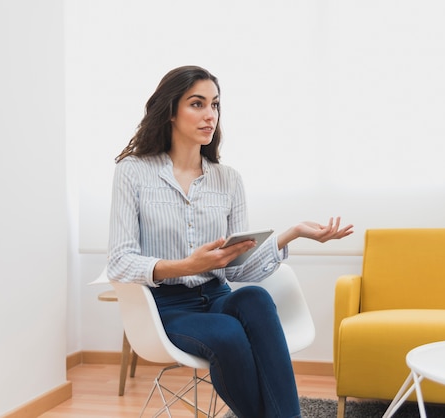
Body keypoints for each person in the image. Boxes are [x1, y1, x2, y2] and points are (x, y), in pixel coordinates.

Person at [107, 65, 353, 418]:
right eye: (197, 104)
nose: (210, 115)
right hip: (167, 308)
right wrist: (187, 266)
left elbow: (241, 270)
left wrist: (292, 233)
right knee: (227, 332)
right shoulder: (134, 172)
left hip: (217, 296)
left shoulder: (229, 180)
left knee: (255, 297)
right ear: (171, 111)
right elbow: (119, 261)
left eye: (215, 105)